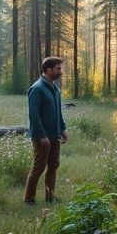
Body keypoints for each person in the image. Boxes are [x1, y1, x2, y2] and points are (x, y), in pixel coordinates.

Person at [25, 56, 68, 204]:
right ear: (48, 70)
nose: (60, 71)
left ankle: (50, 196)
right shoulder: (37, 89)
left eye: (60, 68)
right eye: (58, 69)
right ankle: (29, 199)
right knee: (39, 167)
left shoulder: (55, 88)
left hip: (55, 134)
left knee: (53, 165)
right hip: (41, 137)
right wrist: (42, 136)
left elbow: (58, 112)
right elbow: (33, 115)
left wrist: (63, 128)